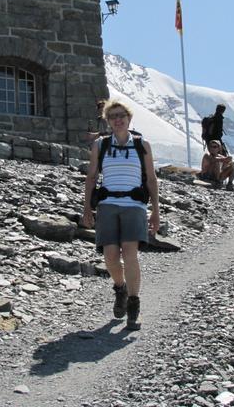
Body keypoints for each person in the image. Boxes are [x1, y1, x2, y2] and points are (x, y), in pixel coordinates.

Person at [82, 100, 160, 330]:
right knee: (110, 256)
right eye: (113, 116)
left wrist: (156, 210)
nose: (118, 119)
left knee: (130, 254)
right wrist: (87, 207)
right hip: (107, 204)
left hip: (134, 205)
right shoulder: (101, 145)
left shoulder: (142, 144)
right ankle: (120, 288)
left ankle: (134, 304)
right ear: (108, 120)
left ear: (129, 118)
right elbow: (92, 176)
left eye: (121, 115)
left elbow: (152, 178)